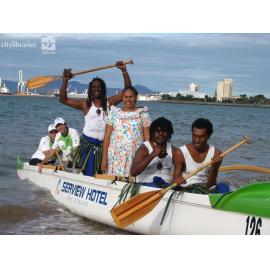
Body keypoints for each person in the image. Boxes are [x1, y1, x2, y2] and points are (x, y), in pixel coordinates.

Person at [59, 61, 132, 176]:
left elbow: (128, 90)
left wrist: (124, 70)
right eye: (94, 87)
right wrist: (65, 80)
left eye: (99, 87)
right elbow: (63, 99)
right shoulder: (85, 105)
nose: (96, 89)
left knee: (103, 173)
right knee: (88, 173)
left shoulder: (110, 102)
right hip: (87, 144)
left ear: (103, 89)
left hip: (104, 146)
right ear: (90, 89)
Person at [101, 87, 151, 178]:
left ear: (136, 98)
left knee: (132, 182)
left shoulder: (143, 115)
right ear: (122, 98)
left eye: (131, 97)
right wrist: (104, 158)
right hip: (115, 156)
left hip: (135, 155)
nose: (128, 99)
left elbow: (147, 139)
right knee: (114, 182)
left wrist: (146, 158)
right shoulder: (114, 114)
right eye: (125, 97)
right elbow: (107, 137)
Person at [130, 117, 183, 187]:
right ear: (152, 133)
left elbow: (178, 176)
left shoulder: (174, 151)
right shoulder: (144, 148)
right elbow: (133, 172)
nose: (160, 134)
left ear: (169, 134)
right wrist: (152, 155)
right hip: (144, 186)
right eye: (157, 131)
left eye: (164, 131)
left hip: (166, 187)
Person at [177, 118, 222, 189]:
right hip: (185, 188)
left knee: (224, 187)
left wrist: (214, 167)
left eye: (201, 137)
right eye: (194, 136)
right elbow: (174, 180)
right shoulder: (181, 152)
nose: (197, 140)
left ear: (209, 136)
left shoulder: (216, 154)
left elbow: (211, 184)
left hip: (205, 188)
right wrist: (177, 181)